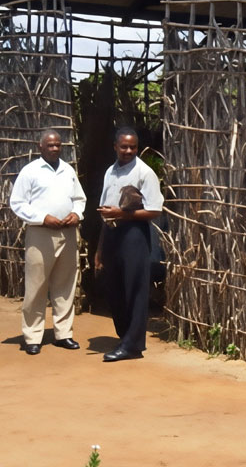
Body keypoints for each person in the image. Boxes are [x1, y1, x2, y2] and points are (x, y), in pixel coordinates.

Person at [10, 129, 87, 356]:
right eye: (50, 145)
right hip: (41, 234)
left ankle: (63, 333)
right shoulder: (30, 171)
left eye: (58, 145)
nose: (54, 148)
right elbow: (17, 203)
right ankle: (33, 336)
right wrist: (43, 218)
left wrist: (76, 214)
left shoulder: (67, 170)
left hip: (67, 233)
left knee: (65, 285)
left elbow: (79, 199)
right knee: (36, 286)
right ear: (40, 146)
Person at [95, 127, 162, 362]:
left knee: (135, 288)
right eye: (124, 146)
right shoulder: (110, 172)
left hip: (134, 234)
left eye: (133, 146)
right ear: (115, 146)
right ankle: (125, 336)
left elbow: (154, 210)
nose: (128, 150)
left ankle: (133, 345)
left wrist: (122, 214)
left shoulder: (145, 173)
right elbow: (106, 210)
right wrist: (100, 249)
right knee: (114, 289)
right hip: (112, 233)